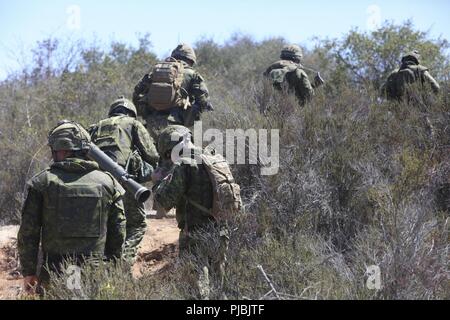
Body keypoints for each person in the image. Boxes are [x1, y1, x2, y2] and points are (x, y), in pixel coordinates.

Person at [17, 120, 126, 293]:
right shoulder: (108, 182)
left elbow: (28, 232)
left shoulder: (42, 182)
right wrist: (113, 267)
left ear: (59, 150)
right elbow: (118, 231)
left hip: (53, 272)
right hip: (96, 272)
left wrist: (29, 271)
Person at [151, 125, 241, 299]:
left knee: (194, 290)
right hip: (221, 230)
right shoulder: (214, 157)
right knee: (218, 284)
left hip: (195, 234)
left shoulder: (184, 164)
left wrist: (157, 181)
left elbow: (163, 201)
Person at [89, 96, 159, 261]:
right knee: (136, 225)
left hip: (95, 184)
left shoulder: (94, 127)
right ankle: (123, 264)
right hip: (124, 183)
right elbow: (152, 154)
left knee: (103, 226)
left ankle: (100, 266)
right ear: (131, 113)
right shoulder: (133, 124)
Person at [132, 43, 213, 140]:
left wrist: (146, 114)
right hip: (177, 124)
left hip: (151, 124)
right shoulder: (192, 74)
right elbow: (204, 101)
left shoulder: (156, 71)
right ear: (190, 60)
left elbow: (137, 93)